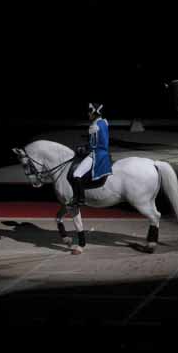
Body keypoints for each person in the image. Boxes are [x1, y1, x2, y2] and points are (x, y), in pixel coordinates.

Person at [65, 102, 112, 253]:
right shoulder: (100, 123)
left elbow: (97, 145)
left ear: (95, 113)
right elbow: (96, 142)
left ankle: (79, 199)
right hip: (98, 152)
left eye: (90, 112)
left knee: (77, 174)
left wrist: (85, 149)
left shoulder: (97, 125)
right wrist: (85, 147)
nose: (88, 114)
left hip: (97, 155)